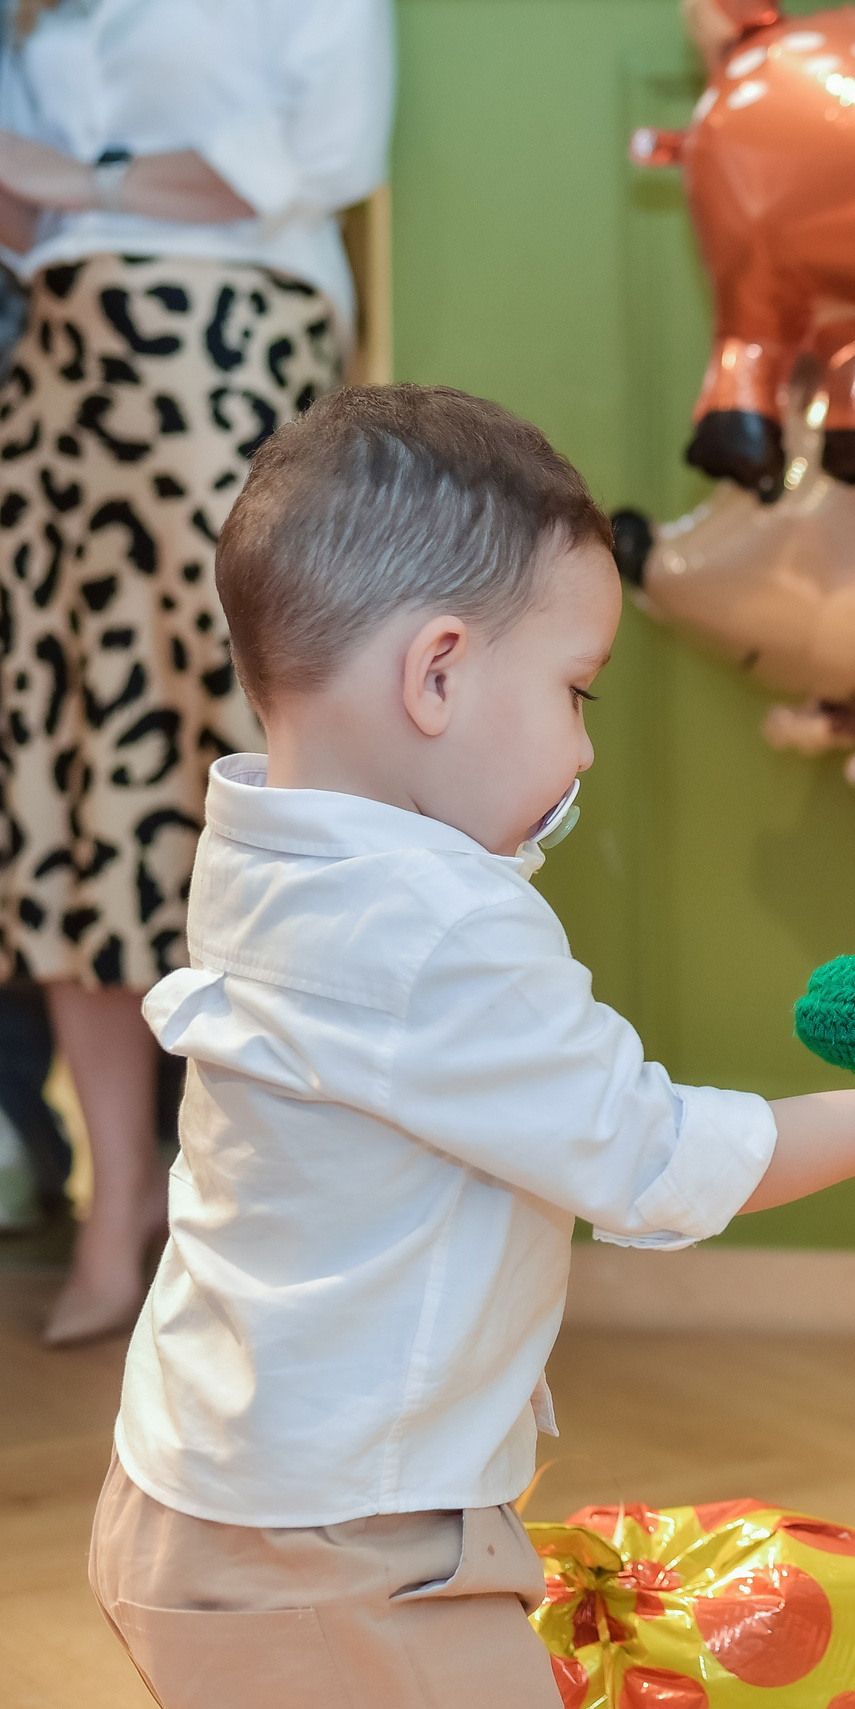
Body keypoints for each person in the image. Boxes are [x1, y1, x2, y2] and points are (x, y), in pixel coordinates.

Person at [84, 385, 855, 1709]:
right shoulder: (440, 928)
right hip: (334, 1548)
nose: (585, 744)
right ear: (436, 673)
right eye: (576, 691)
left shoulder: (272, 846)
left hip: (214, 1494)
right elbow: (645, 1156)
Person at [0, 0, 393, 1344]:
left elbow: (325, 160)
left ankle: (279, 1210)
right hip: (53, 386)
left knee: (254, 773)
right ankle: (121, 1208)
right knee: (68, 787)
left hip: (224, 370)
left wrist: (84, 181)